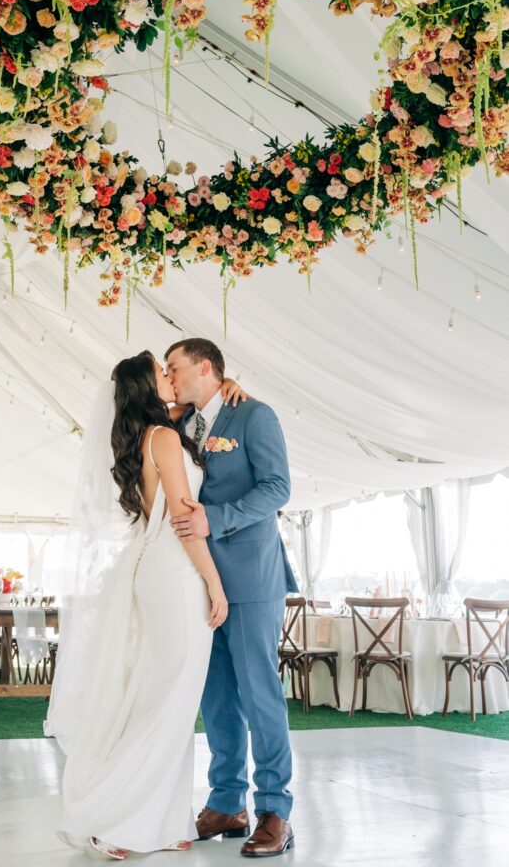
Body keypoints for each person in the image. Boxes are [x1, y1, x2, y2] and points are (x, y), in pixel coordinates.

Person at [45, 351, 244, 860]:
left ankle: (161, 820)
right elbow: (183, 516)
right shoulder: (164, 438)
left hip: (152, 570)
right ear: (147, 387)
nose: (170, 377)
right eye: (162, 373)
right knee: (168, 697)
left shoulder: (146, 436)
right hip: (176, 574)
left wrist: (229, 386)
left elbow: (196, 404)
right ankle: (117, 818)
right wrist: (215, 584)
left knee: (163, 695)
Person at [165, 337, 298, 858]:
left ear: (205, 367)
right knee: (216, 697)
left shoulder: (254, 415)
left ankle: (275, 811)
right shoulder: (182, 425)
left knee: (260, 694)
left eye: (175, 368)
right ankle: (226, 803)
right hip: (197, 582)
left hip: (250, 579)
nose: (170, 377)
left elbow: (277, 488)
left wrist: (213, 518)